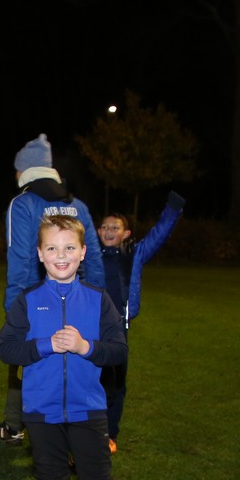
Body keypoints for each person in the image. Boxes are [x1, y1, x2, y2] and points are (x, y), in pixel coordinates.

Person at [0, 215, 145, 480]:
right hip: (42, 412)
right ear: (40, 254)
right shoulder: (28, 301)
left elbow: (119, 351)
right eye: (52, 248)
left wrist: (85, 347)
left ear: (82, 253)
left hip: (88, 410)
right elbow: (6, 349)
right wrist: (45, 345)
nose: (60, 256)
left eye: (68, 248)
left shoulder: (98, 300)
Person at [0, 133, 103, 445]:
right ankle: (76, 441)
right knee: (76, 366)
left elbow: (20, 261)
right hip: (78, 300)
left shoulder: (23, 204)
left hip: (37, 302)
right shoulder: (78, 205)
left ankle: (20, 429)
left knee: (32, 364)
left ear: (23, 171)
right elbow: (94, 258)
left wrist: (14, 311)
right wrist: (98, 306)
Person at [96, 193, 184, 450]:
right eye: (104, 227)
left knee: (115, 385)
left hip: (117, 329)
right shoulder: (88, 256)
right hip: (90, 328)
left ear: (126, 233)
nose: (109, 231)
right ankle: (86, 434)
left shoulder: (134, 254)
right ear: (98, 231)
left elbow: (158, 235)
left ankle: (109, 434)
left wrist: (173, 209)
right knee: (90, 383)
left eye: (115, 227)